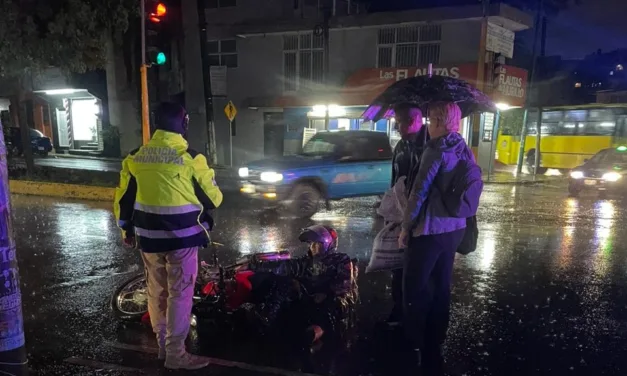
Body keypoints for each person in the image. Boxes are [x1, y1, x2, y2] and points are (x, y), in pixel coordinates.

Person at [113, 102, 223, 370]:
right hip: (182, 240)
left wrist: (125, 228)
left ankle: (163, 347)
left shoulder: (136, 157)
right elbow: (214, 199)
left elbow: (124, 199)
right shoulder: (190, 158)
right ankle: (176, 354)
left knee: (157, 291)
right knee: (180, 294)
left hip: (149, 239)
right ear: (184, 123)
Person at [398, 102, 474, 375]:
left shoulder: (435, 150)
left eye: (431, 120)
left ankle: (414, 341)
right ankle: (435, 339)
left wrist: (405, 227)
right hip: (455, 229)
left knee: (414, 287)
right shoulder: (463, 148)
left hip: (430, 230)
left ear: (441, 122)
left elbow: (419, 192)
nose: (428, 125)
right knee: (441, 284)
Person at [238, 225, 355, 345]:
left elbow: (344, 284)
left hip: (327, 304)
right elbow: (287, 266)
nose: (312, 247)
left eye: (315, 244)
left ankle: (311, 333)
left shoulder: (341, 260)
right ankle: (268, 317)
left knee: (329, 312)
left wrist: (326, 293)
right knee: (285, 281)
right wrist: (256, 266)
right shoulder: (307, 262)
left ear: (325, 245)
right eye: (311, 244)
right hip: (309, 299)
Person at [387, 103, 429, 325]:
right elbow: (394, 178)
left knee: (415, 268)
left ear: (413, 122)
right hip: (398, 213)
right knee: (397, 265)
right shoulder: (401, 146)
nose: (396, 128)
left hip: (418, 217)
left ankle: (414, 317)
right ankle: (398, 310)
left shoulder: (429, 145)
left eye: (399, 123)